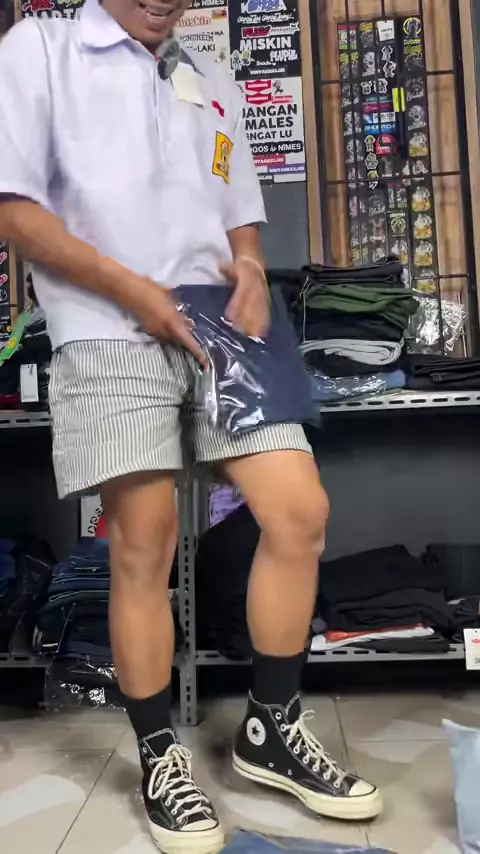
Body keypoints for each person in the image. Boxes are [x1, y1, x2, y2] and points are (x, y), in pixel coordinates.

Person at [0, 1, 382, 851]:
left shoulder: (209, 76)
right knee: (146, 543)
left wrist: (246, 262)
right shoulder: (43, 49)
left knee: (299, 512)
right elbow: (14, 210)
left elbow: (237, 211)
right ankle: (159, 753)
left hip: (225, 326)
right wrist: (134, 291)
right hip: (108, 326)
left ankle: (271, 727)